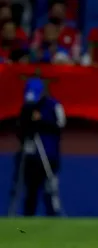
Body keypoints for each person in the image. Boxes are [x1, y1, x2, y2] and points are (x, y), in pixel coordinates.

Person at [10, 77, 65, 216]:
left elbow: (59, 125)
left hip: (49, 155)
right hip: (31, 156)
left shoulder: (53, 105)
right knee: (30, 190)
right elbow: (20, 131)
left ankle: (53, 217)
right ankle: (28, 219)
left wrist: (41, 120)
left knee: (49, 190)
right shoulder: (27, 108)